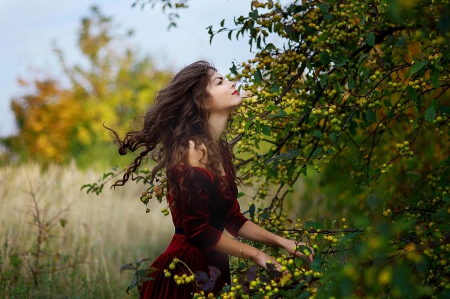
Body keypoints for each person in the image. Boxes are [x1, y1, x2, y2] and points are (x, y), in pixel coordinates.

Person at [108, 61, 313, 299]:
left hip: (212, 267)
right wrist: (257, 254)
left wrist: (285, 242)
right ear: (202, 101)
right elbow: (199, 232)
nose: (233, 83)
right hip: (185, 270)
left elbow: (233, 220)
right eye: (220, 81)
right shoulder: (192, 150)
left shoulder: (218, 151)